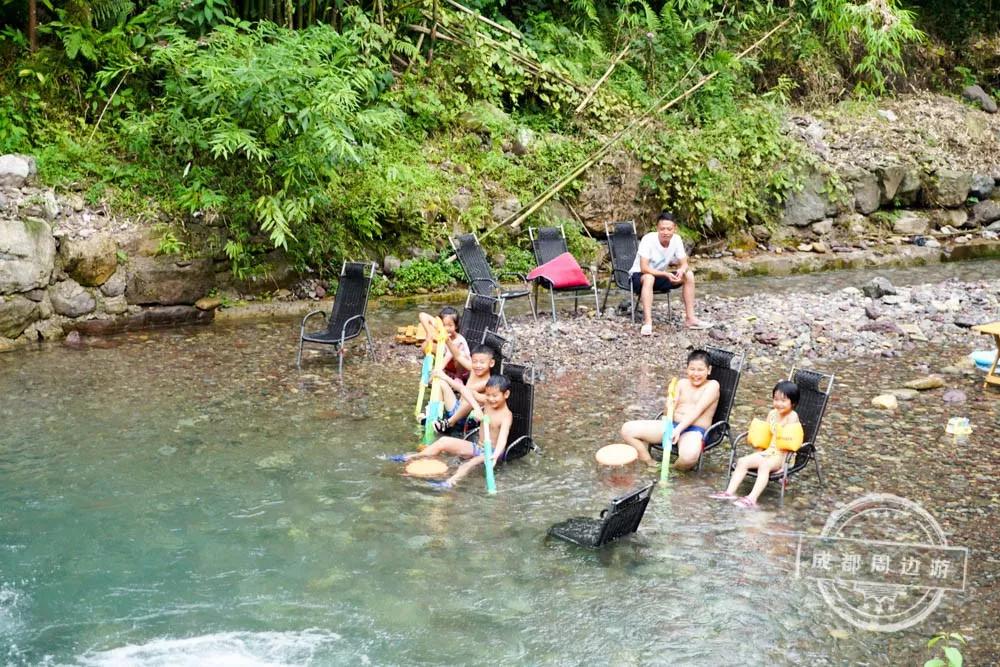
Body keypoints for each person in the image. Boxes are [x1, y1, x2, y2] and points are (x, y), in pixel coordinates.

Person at [391, 374, 513, 490]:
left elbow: (503, 439)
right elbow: (465, 390)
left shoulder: (506, 416)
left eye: (495, 396)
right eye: (488, 395)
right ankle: (411, 457)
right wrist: (476, 408)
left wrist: (495, 456)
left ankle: (449, 482)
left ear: (506, 394)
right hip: (478, 447)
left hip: (491, 453)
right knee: (443, 441)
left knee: (467, 464)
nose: (491, 399)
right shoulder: (487, 401)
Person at [619, 349, 720, 469]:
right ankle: (650, 463)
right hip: (671, 425)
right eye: (692, 369)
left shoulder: (713, 385)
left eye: (700, 370)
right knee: (627, 430)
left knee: (689, 457)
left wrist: (678, 430)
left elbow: (697, 411)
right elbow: (668, 413)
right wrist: (668, 406)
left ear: (708, 370)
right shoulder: (681, 383)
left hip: (693, 430)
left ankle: (672, 470)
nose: (695, 374)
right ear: (687, 369)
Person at [710, 380, 803, 508]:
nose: (779, 404)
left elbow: (791, 440)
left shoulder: (792, 417)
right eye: (776, 399)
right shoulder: (772, 414)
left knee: (764, 466)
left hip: (783, 456)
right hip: (769, 452)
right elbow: (766, 436)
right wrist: (758, 455)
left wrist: (784, 468)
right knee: (742, 461)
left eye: (783, 401)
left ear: (793, 403)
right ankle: (729, 492)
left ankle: (752, 498)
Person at [629, 211, 712, 335]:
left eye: (669, 229)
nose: (666, 232)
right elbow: (644, 268)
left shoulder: (677, 239)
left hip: (660, 276)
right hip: (638, 277)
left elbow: (684, 263)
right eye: (662, 229)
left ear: (674, 229)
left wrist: (681, 270)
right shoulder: (648, 239)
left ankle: (690, 319)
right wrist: (666, 274)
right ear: (657, 228)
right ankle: (648, 323)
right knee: (649, 277)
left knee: (688, 275)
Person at [431, 344, 496, 434]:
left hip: (465, 419)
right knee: (440, 383)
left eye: (482, 362)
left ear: (491, 363)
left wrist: (444, 376)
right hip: (456, 407)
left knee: (473, 397)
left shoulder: (488, 382)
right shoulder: (474, 369)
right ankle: (435, 415)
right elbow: (457, 355)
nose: (478, 365)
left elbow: (464, 389)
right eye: (475, 362)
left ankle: (448, 423)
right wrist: (447, 340)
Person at [419, 306, 471, 381]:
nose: (446, 328)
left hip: (463, 369)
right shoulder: (441, 328)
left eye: (450, 325)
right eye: (444, 325)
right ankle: (438, 368)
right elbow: (422, 315)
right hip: (449, 363)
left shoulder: (458, 340)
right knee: (425, 345)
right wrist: (428, 333)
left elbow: (448, 355)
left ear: (456, 326)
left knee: (460, 354)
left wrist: (437, 371)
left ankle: (458, 378)